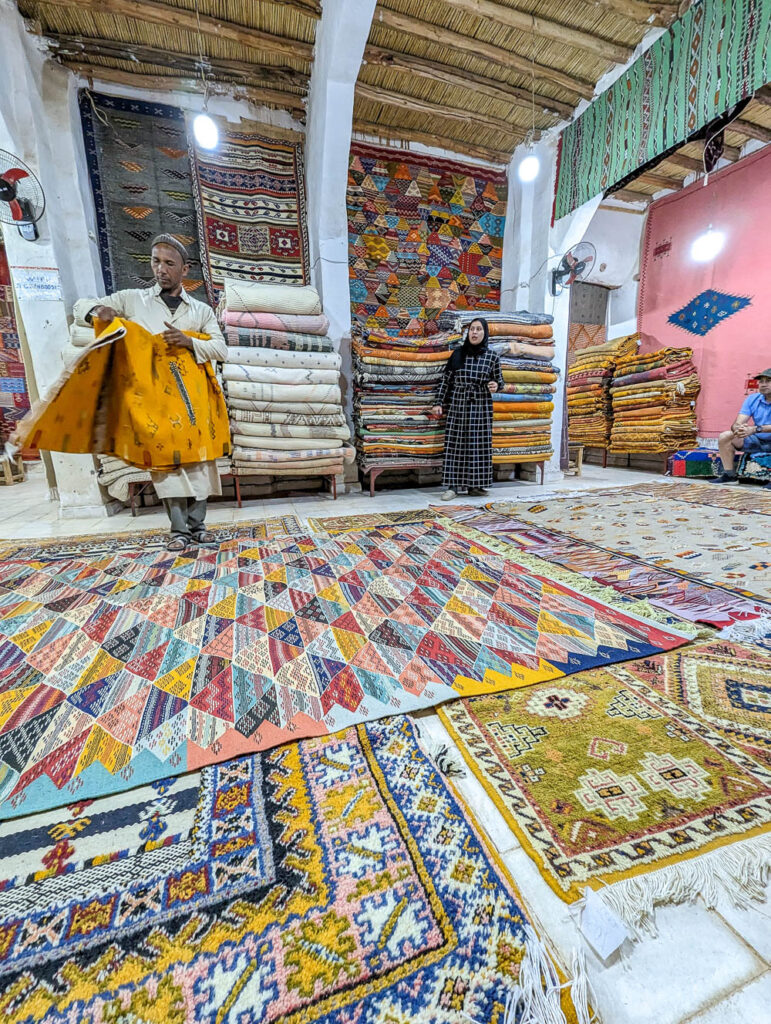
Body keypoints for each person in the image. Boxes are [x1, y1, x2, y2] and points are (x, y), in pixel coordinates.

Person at [73, 235, 228, 548]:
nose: (161, 269)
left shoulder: (200, 310)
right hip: (155, 399)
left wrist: (189, 342)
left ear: (185, 270)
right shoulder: (134, 300)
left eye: (169, 263)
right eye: (156, 261)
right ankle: (179, 531)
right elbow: (82, 306)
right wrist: (97, 313)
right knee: (166, 464)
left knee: (199, 464)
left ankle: (198, 527)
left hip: (193, 400)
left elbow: (221, 348)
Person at [432, 317, 503, 501]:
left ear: (485, 333)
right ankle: (453, 487)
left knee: (477, 444)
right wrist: (438, 402)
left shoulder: (492, 357)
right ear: (468, 332)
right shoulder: (458, 354)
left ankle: (475, 486)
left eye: (479, 329)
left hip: (481, 404)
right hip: (458, 402)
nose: (475, 332)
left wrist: (495, 385)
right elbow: (445, 381)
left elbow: (499, 381)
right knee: (455, 444)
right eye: (472, 329)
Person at [713, 368, 771, 489]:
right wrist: (739, 429)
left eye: (768, 381)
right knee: (726, 436)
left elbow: (756, 429)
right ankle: (729, 475)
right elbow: (737, 423)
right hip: (757, 441)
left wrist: (755, 429)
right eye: (761, 381)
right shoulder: (752, 399)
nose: (763, 384)